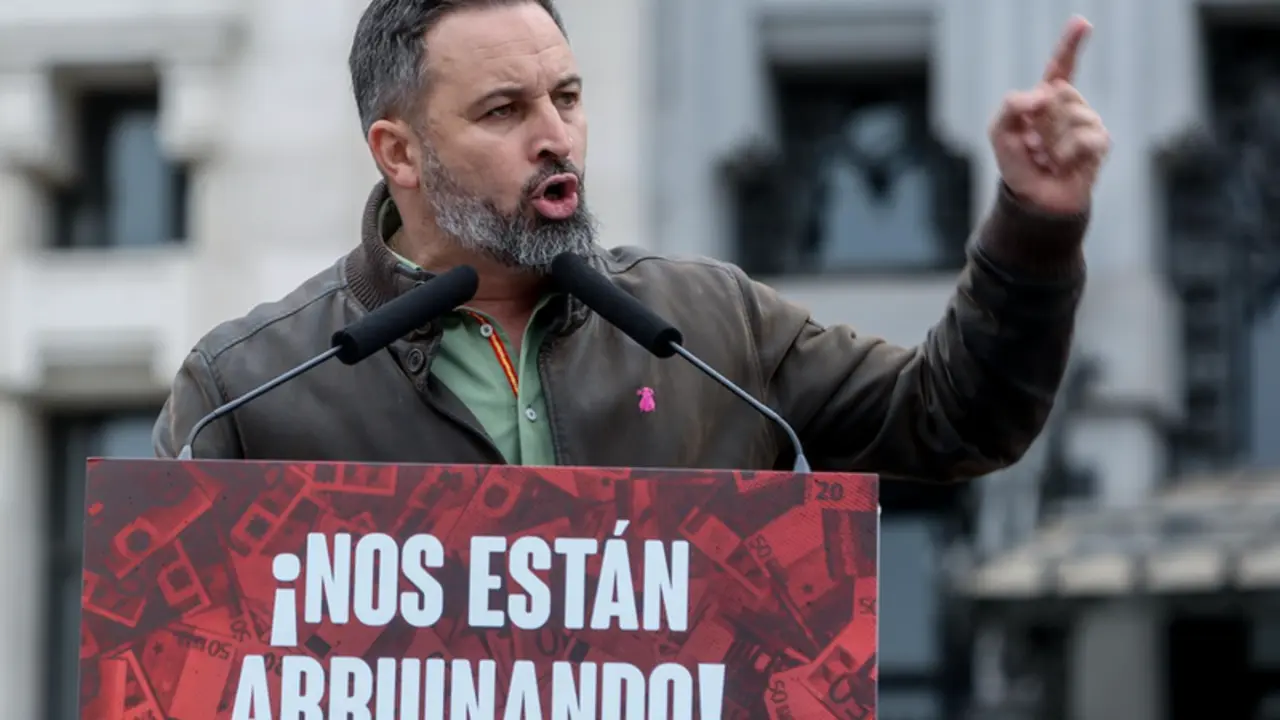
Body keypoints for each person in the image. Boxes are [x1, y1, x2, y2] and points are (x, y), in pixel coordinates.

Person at [152, 0, 1110, 481]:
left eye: (567, 97)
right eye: (504, 109)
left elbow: (958, 418)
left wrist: (1036, 220)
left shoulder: (709, 326)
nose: (555, 135)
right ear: (398, 152)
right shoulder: (246, 394)